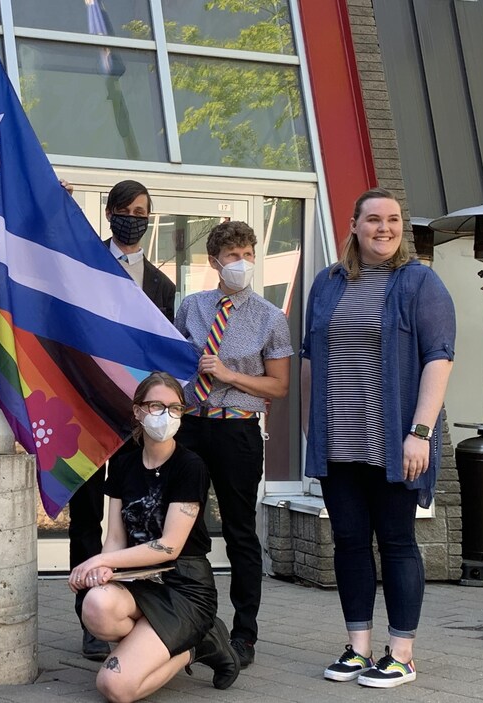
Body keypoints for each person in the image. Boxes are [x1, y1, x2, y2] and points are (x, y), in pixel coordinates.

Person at [301, 187, 455, 689]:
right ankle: (358, 647)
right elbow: (309, 356)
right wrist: (310, 423)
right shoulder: (327, 284)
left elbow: (439, 357)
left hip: (394, 441)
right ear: (354, 225)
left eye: (392, 220)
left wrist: (421, 433)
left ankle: (402, 654)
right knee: (347, 541)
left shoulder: (419, 284)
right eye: (372, 219)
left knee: (396, 541)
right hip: (338, 439)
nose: (383, 228)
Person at [71, 372, 239, 703]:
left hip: (184, 588)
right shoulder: (124, 465)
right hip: (139, 582)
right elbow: (116, 538)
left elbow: (169, 546)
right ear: (137, 411)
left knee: (115, 687)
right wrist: (108, 572)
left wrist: (100, 561)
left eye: (175, 408)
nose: (166, 415)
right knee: (96, 604)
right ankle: (155, 644)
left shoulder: (190, 466)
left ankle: (198, 644)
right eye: (156, 405)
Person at [172, 220, 292, 668]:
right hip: (192, 425)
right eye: (233, 256)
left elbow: (278, 387)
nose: (241, 263)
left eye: (247, 254)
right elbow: (177, 360)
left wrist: (229, 374)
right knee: (185, 526)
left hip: (238, 428)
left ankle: (245, 634)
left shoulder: (269, 316)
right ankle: (190, 621)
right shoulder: (193, 307)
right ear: (215, 262)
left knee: (240, 530)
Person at [68, 180, 176, 660]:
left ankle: (134, 611)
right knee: (88, 517)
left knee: (135, 518)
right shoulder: (86, 266)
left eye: (143, 211)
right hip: (88, 413)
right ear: (110, 213)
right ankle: (90, 617)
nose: (135, 217)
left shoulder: (163, 285)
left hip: (136, 424)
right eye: (127, 209)